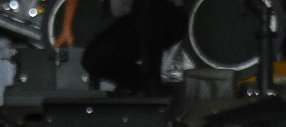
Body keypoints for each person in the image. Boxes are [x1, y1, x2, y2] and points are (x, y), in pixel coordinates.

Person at [53, 0, 186, 96]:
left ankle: (152, 83)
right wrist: (66, 28)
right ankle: (136, 82)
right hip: (135, 22)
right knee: (93, 59)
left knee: (146, 6)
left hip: (168, 18)